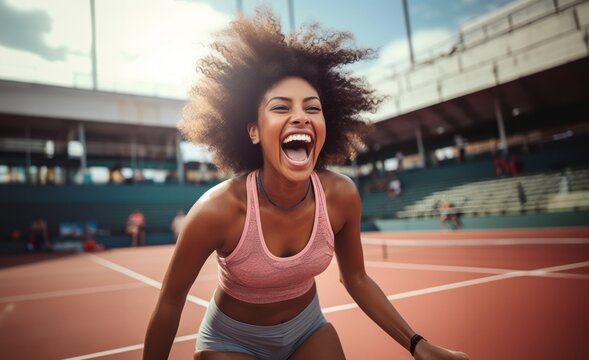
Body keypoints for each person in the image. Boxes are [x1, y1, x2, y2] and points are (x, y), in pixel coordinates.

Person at [144, 8, 469, 360]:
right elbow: (170, 301)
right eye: (281, 108)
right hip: (231, 342)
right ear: (253, 130)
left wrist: (418, 344)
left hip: (307, 331)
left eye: (312, 109)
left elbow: (356, 278)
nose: (300, 116)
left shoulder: (341, 196)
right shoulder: (217, 210)